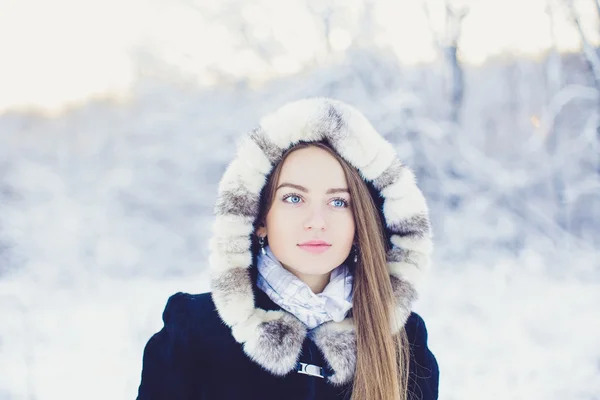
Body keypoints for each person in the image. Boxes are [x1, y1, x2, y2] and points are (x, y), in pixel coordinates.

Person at [136, 98, 439, 400]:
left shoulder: (404, 340)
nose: (317, 221)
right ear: (259, 219)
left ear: (361, 223)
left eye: (338, 202)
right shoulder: (194, 330)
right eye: (293, 198)